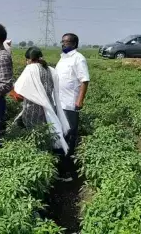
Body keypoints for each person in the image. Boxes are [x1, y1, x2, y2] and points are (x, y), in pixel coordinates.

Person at [11, 47, 70, 154]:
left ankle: (35, 154)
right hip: (49, 108)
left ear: (29, 59)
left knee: (34, 136)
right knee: (46, 134)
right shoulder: (51, 70)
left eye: (26, 60)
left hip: (33, 110)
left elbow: (18, 95)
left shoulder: (31, 68)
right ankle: (47, 155)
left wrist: (10, 89)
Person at [55, 33, 90, 180]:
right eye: (62, 42)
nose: (64, 44)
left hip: (70, 104)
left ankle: (67, 172)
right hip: (59, 103)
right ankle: (59, 168)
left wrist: (79, 101)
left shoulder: (78, 58)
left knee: (69, 137)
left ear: (74, 44)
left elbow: (84, 80)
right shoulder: (63, 59)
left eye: (67, 42)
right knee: (60, 136)